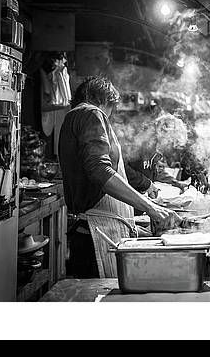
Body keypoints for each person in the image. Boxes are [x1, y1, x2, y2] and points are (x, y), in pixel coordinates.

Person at [58, 76, 181, 278]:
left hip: (96, 233)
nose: (110, 114)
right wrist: (151, 207)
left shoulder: (74, 117)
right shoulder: (90, 113)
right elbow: (100, 170)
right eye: (110, 107)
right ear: (96, 97)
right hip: (96, 237)